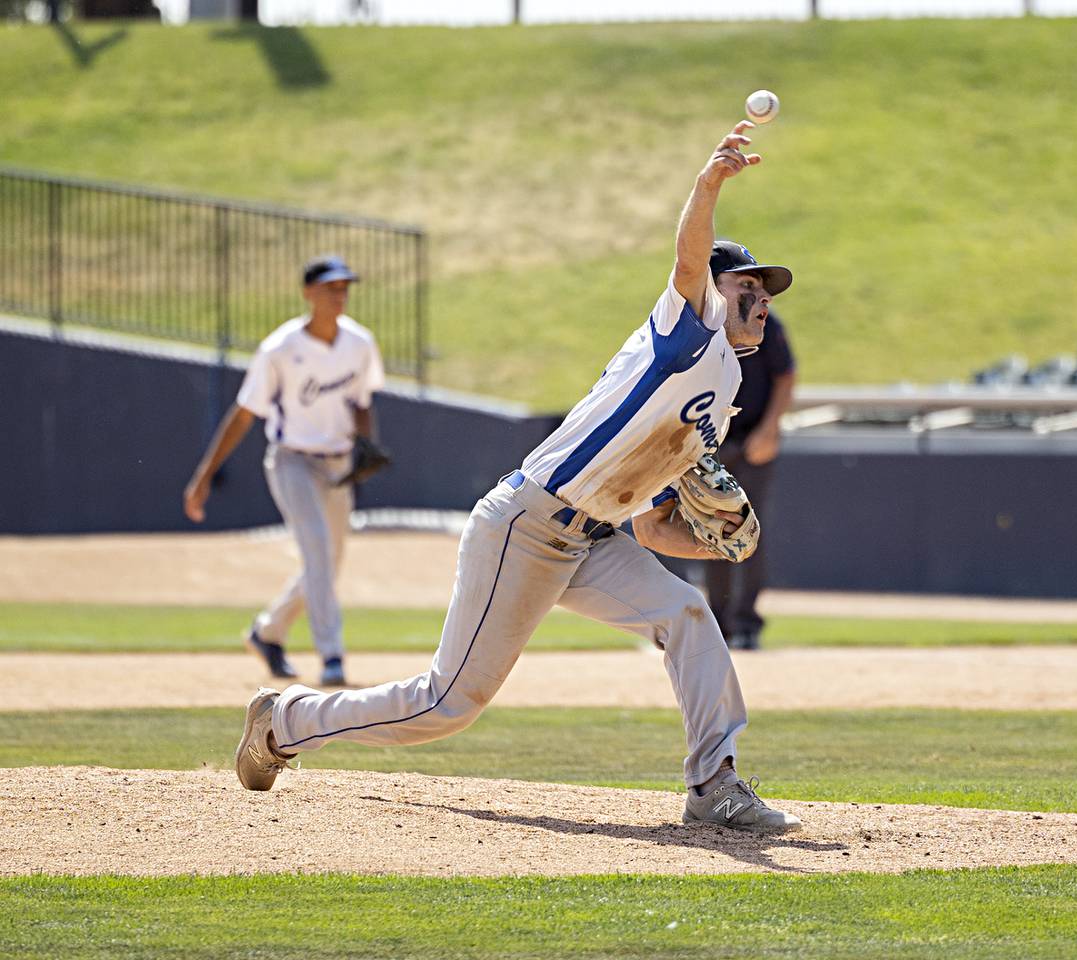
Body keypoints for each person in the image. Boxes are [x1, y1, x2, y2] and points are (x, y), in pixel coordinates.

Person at [233, 120, 802, 832]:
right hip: (528, 525)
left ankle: (713, 785)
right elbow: (689, 262)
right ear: (716, 290)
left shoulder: (718, 395)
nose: (763, 296)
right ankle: (283, 721)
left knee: (687, 613)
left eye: (767, 289)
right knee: (447, 705)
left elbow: (654, 525)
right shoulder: (688, 334)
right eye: (749, 282)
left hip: (593, 539)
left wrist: (720, 546)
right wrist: (709, 182)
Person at [183, 255, 384, 688]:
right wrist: (203, 476)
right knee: (317, 553)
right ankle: (332, 657)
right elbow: (244, 414)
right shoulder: (280, 348)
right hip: (292, 460)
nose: (340, 294)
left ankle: (268, 632)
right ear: (308, 292)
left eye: (345, 286)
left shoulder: (359, 343)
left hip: (339, 463)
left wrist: (367, 445)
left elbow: (363, 401)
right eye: (331, 287)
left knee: (327, 565)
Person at [702, 302, 795, 650]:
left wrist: (770, 429)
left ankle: (747, 623)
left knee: (749, 530)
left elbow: (785, 375)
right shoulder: (704, 326)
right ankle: (718, 623)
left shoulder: (768, 325)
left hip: (754, 442)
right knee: (712, 529)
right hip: (713, 444)